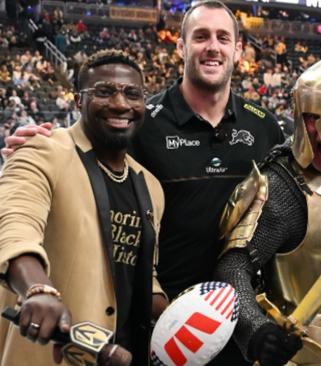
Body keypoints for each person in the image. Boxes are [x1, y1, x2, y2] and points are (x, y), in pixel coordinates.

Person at [2, 2, 284, 364]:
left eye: (222, 37)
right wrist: (38, 288)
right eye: (200, 36)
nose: (212, 46)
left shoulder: (263, 127)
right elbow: (18, 223)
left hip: (222, 323)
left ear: (238, 49)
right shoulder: (136, 125)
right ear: (180, 47)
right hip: (123, 333)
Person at [216, 53, 321, 366]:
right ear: (296, 113)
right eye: (312, 118)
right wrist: (256, 331)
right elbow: (233, 267)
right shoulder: (277, 185)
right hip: (298, 351)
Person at [0, 49, 167, 365]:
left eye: (132, 94)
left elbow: (137, 270)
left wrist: (182, 316)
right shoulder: (41, 151)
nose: (120, 104)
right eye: (104, 92)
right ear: (78, 101)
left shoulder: (151, 186)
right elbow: (15, 226)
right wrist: (38, 290)